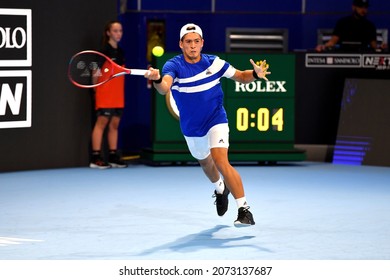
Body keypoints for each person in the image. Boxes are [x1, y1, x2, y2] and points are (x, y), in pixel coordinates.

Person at [145, 23, 270, 227]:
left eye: (196, 41)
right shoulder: (173, 66)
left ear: (202, 43)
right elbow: (164, 87)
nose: (192, 46)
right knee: (206, 163)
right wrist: (157, 78)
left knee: (221, 160)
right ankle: (220, 189)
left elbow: (240, 76)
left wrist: (254, 74)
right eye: (188, 42)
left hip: (215, 119)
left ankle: (244, 210)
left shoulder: (215, 63)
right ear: (181, 44)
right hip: (192, 128)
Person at [89, 20, 128, 169]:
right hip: (104, 93)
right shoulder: (103, 51)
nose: (119, 34)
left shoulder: (121, 51)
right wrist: (94, 88)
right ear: (108, 33)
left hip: (118, 94)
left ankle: (112, 155)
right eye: (115, 31)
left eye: (120, 31)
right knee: (102, 123)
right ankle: (96, 157)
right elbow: (95, 70)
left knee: (115, 124)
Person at [316, 0, 385, 52]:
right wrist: (323, 47)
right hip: (343, 55)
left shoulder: (370, 25)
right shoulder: (343, 23)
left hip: (363, 55)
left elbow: (374, 46)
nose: (363, 10)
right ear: (353, 7)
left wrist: (380, 47)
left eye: (365, 8)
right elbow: (333, 42)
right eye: (360, 7)